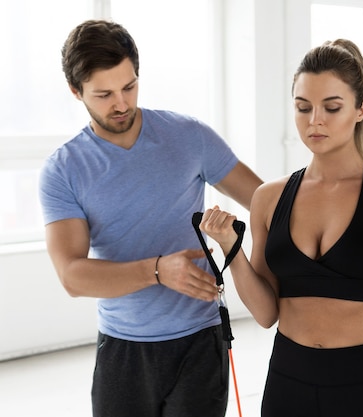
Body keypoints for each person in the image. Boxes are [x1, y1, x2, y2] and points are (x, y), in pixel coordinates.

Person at [39, 19, 263, 417]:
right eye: (104, 94)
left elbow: (266, 203)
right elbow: (72, 276)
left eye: (129, 86)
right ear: (76, 92)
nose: (122, 103)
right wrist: (158, 271)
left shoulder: (190, 136)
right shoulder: (64, 170)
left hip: (201, 340)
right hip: (123, 350)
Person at [200, 39, 363, 417]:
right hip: (288, 381)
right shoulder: (268, 197)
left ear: (361, 109)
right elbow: (265, 314)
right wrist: (231, 249)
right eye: (303, 107)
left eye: (332, 107)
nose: (315, 121)